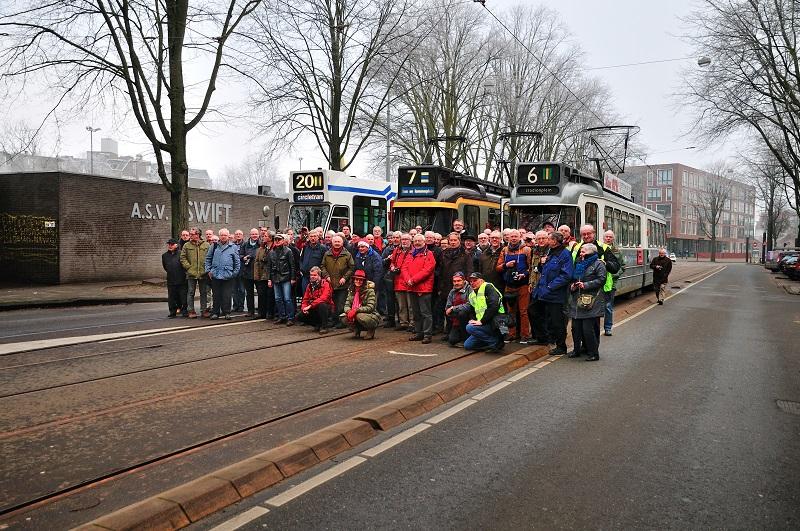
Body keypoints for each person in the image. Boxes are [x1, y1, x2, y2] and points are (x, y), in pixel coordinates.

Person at [531, 231, 574, 355]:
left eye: (549, 239)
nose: (547, 241)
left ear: (555, 241)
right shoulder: (550, 252)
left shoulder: (565, 254)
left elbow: (566, 275)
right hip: (543, 291)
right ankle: (544, 337)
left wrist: (550, 286)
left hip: (555, 294)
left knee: (557, 321)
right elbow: (544, 270)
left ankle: (561, 346)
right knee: (533, 310)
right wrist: (540, 264)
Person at [568, 243, 607, 361]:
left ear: (591, 252)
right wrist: (573, 286)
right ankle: (577, 350)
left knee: (587, 328)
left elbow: (601, 280)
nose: (581, 253)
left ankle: (594, 353)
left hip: (592, 300)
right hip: (578, 299)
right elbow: (574, 278)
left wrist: (585, 285)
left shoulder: (599, 264)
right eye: (581, 251)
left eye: (583, 251)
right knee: (575, 327)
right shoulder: (579, 263)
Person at [496, 229, 531, 343]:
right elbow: (498, 267)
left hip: (523, 284)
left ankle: (525, 335)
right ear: (508, 238)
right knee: (511, 311)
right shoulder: (505, 250)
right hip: (509, 285)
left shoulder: (526, 249)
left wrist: (524, 274)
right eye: (512, 236)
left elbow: (531, 267)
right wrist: (506, 265)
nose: (514, 238)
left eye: (516, 236)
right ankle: (511, 334)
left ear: (520, 237)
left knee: (523, 311)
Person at [438, 232, 474, 341]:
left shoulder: (466, 255)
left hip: (460, 287)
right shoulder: (444, 254)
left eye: (455, 240)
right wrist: (440, 287)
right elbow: (440, 270)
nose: (453, 243)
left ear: (459, 241)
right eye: (451, 241)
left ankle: (461, 333)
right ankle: (448, 331)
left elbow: (469, 270)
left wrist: (466, 285)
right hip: (446, 286)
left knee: (460, 311)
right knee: (447, 310)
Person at [402, 234, 436, 343]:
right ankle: (418, 332)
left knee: (425, 312)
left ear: (424, 241)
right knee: (416, 312)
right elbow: (404, 268)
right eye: (415, 240)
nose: (417, 242)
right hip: (412, 287)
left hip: (423, 288)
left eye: (419, 241)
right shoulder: (411, 253)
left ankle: (427, 334)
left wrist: (413, 280)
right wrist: (408, 280)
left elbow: (427, 270)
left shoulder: (429, 254)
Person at [464, 272, 505, 353]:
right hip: (484, 324)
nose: (472, 283)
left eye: (475, 280)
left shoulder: (488, 287)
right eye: (471, 281)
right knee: (467, 345)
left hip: (497, 323)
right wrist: (473, 319)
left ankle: (495, 342)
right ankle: (492, 341)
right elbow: (472, 310)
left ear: (482, 281)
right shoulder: (472, 295)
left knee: (470, 327)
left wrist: (481, 321)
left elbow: (494, 306)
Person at [204, 228, 241, 320]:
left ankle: (226, 312)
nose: (223, 237)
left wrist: (234, 273)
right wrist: (209, 271)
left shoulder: (233, 247)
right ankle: (215, 312)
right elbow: (208, 259)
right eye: (222, 235)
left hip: (228, 275)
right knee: (216, 295)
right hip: (215, 274)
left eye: (225, 235)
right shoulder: (214, 246)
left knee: (227, 295)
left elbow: (237, 262)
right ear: (219, 236)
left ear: (228, 236)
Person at [321, 235, 355, 328]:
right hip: (330, 283)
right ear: (332, 242)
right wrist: (326, 276)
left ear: (342, 243)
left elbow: (352, 268)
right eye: (335, 241)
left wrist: (345, 277)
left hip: (342, 284)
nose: (337, 243)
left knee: (341, 304)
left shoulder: (347, 254)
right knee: (332, 304)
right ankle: (333, 320)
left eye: (338, 242)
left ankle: (341, 322)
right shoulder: (327, 253)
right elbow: (322, 266)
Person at [340, 269, 381, 339]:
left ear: (364, 281)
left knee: (359, 316)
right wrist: (349, 311)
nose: (358, 281)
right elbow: (346, 305)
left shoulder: (370, 291)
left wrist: (356, 310)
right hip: (356, 312)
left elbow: (370, 307)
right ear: (353, 280)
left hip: (370, 315)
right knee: (343, 317)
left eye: (361, 280)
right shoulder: (351, 290)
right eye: (356, 279)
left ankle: (371, 329)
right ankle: (357, 329)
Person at [526, 230, 550, 345]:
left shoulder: (550, 251)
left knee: (543, 312)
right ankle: (538, 336)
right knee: (533, 311)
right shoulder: (534, 251)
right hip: (535, 286)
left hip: (546, 287)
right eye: (538, 238)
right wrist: (530, 283)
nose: (541, 241)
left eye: (543, 238)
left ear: (547, 239)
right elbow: (532, 269)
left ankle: (545, 337)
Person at [180, 228, 210, 318]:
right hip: (191, 273)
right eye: (190, 234)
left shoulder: (206, 245)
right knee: (191, 292)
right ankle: (191, 311)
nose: (190, 235)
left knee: (203, 292)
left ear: (198, 235)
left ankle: (204, 310)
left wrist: (206, 269)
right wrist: (188, 267)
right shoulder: (186, 245)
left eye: (192, 234)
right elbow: (182, 258)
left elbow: (209, 257)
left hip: (203, 273)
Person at [269, 234, 297, 325]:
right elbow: (270, 267)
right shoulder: (271, 252)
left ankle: (290, 317)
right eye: (276, 239)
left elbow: (292, 265)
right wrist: (270, 279)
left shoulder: (288, 251)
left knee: (287, 298)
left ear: (283, 240)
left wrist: (292, 278)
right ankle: (282, 316)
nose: (277, 241)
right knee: (278, 298)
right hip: (275, 278)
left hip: (286, 277)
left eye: (279, 239)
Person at [601, 230, 625, 335]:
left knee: (608, 306)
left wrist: (614, 275)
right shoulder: (599, 249)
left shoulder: (617, 251)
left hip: (611, 284)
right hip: (599, 282)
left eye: (610, 237)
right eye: (607, 237)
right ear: (603, 238)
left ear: (613, 239)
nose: (608, 238)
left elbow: (622, 266)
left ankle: (608, 328)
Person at [298, 266, 334, 334]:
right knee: (299, 316)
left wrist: (310, 306)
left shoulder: (326, 284)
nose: (312, 277)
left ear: (319, 275)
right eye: (311, 275)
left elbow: (324, 298)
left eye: (314, 275)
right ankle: (317, 324)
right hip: (314, 307)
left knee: (322, 305)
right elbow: (305, 299)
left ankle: (324, 327)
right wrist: (304, 308)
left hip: (327, 307)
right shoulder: (309, 286)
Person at [389, 233, 414, 331]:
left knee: (411, 305)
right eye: (403, 239)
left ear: (410, 241)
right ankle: (403, 322)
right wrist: (392, 267)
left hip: (409, 281)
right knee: (401, 305)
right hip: (398, 280)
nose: (404, 241)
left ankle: (412, 323)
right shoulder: (397, 250)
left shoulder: (414, 251)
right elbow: (392, 262)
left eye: (406, 239)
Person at [444, 272, 473, 347]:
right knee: (452, 341)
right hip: (456, 320)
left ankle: (466, 337)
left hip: (468, 319)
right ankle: (459, 336)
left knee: (462, 313)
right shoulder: (452, 291)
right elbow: (447, 308)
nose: (456, 283)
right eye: (454, 281)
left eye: (459, 281)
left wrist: (454, 308)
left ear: (464, 280)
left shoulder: (470, 289)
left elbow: (469, 305)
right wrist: (450, 310)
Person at [162, 238, 187, 317]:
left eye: (172, 244)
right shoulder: (164, 256)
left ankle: (184, 310)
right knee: (172, 297)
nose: (170, 246)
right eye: (169, 244)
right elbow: (165, 267)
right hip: (171, 279)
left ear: (176, 245)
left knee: (183, 296)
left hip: (181, 279)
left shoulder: (181, 254)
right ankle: (172, 311)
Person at [381, 231, 401, 328]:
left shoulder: (404, 249)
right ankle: (391, 318)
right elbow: (382, 262)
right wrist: (387, 259)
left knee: (400, 300)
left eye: (398, 237)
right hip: (389, 278)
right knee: (390, 299)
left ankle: (402, 320)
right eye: (394, 237)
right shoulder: (387, 249)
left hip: (400, 277)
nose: (396, 239)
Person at [239, 228, 260, 317]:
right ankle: (250, 311)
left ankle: (260, 311)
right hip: (247, 272)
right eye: (253, 234)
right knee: (249, 293)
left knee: (260, 293)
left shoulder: (261, 244)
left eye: (256, 234)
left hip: (258, 272)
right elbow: (240, 254)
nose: (254, 236)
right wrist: (243, 258)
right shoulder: (245, 245)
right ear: (250, 235)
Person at [299, 228, 327, 295]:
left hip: (317, 277)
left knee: (316, 296)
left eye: (315, 236)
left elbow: (325, 262)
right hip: (305, 276)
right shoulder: (305, 247)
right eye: (311, 236)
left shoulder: (323, 248)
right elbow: (301, 259)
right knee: (305, 295)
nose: (313, 238)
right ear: (308, 237)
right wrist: (301, 268)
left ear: (318, 237)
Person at [254, 232, 272, 320]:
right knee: (261, 294)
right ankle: (261, 312)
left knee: (269, 295)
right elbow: (257, 262)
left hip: (270, 275)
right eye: (263, 236)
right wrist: (257, 275)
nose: (263, 237)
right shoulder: (261, 249)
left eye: (265, 236)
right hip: (261, 275)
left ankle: (269, 312)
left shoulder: (273, 248)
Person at [231, 229, 246, 312]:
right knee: (234, 290)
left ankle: (241, 306)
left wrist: (240, 257)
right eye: (236, 234)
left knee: (242, 290)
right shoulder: (232, 245)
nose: (238, 235)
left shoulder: (245, 244)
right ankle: (235, 305)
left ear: (242, 235)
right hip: (233, 270)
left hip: (242, 270)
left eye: (240, 234)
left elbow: (245, 255)